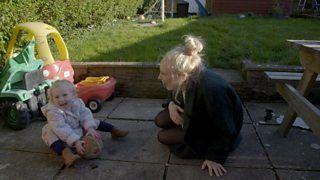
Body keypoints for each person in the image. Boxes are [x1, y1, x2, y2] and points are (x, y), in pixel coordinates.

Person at [155, 35, 243, 177]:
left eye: (163, 74)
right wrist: (171, 105)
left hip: (216, 129)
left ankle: (195, 136)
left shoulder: (212, 91)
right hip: (198, 113)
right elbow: (174, 90)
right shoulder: (189, 75)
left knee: (163, 136)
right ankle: (185, 126)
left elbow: (226, 128)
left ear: (182, 76)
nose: (159, 77)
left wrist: (214, 157)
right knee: (159, 120)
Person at [41, 79, 128, 167]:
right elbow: (61, 128)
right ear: (52, 99)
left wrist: (90, 128)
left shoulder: (77, 103)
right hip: (61, 135)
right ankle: (66, 154)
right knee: (49, 133)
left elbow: (85, 114)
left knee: (93, 121)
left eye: (65, 95)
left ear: (73, 95)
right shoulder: (53, 112)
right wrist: (75, 142)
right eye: (57, 97)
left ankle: (113, 130)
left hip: (76, 128)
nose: (61, 99)